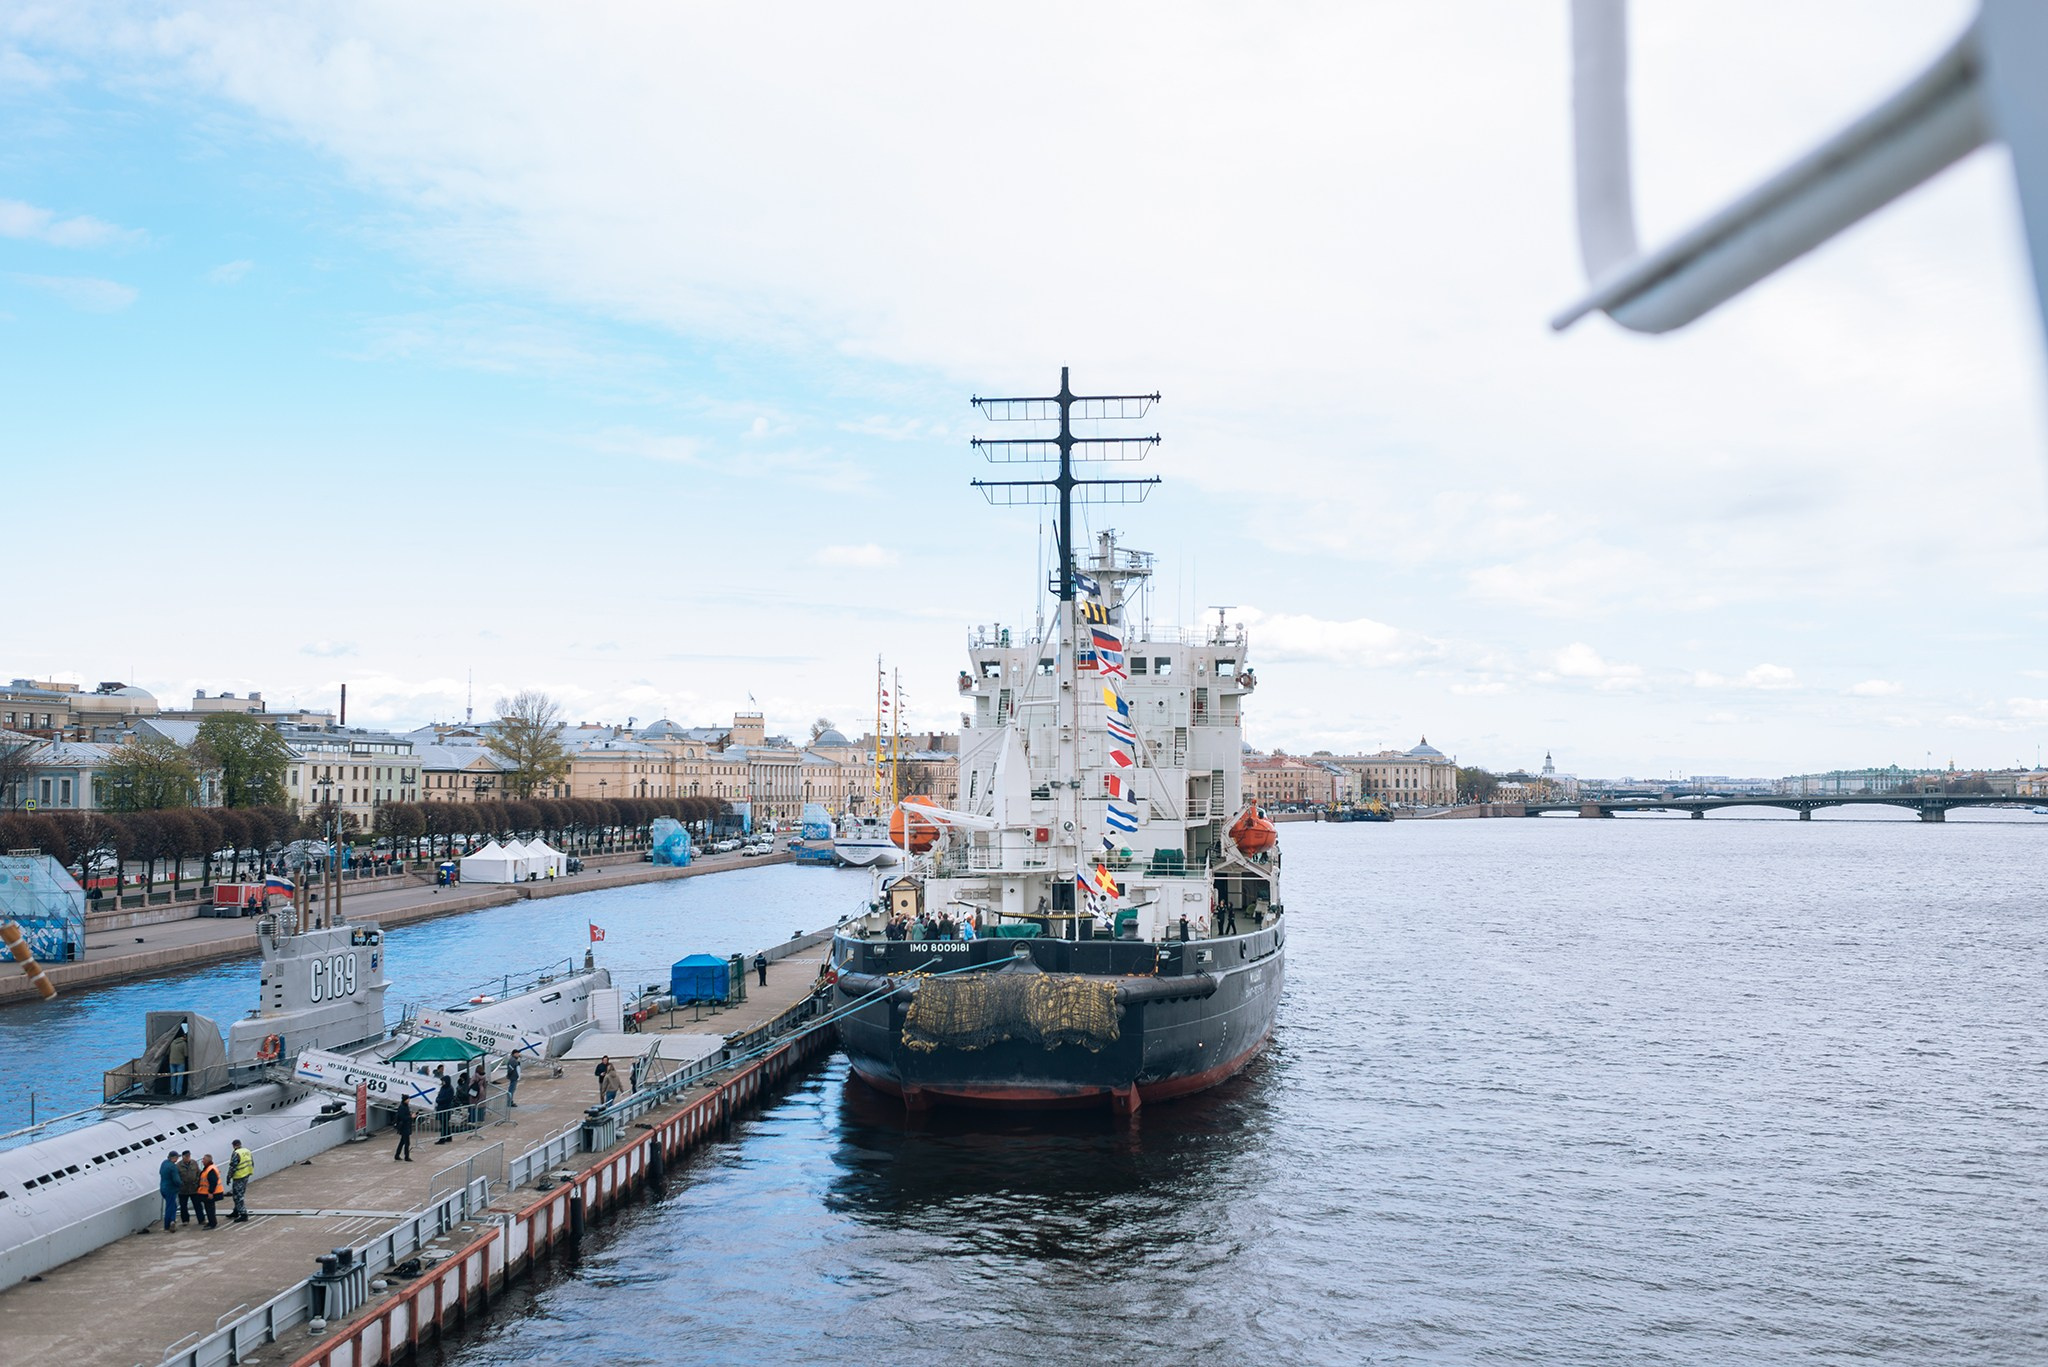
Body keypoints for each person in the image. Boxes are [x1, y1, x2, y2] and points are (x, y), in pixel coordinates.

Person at [226, 1139, 254, 1222]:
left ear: (234, 1145)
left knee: (238, 1196)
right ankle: (236, 1211)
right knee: (237, 1194)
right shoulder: (247, 1151)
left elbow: (232, 1167)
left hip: (239, 1177)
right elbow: (252, 1163)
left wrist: (228, 1177)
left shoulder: (236, 1153)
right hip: (246, 1175)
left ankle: (243, 1214)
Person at [195, 1153, 222, 1228]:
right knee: (208, 1208)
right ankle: (211, 1222)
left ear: (207, 1161)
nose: (202, 1161)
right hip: (206, 1192)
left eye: (203, 1159)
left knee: (210, 1208)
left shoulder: (210, 1169)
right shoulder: (208, 1168)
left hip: (210, 1193)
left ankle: (212, 1223)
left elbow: (213, 1181)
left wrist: (210, 1192)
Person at [157, 1152, 181, 1232]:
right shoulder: (173, 1167)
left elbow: (160, 1173)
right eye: (177, 1157)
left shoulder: (164, 1163)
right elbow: (176, 1180)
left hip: (163, 1188)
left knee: (173, 1205)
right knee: (170, 1207)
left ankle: (172, 1220)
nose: (177, 1159)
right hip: (170, 1189)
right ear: (173, 1158)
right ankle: (167, 1225)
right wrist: (181, 1184)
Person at [176, 1150, 200, 1225]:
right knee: (183, 1206)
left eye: (189, 1156)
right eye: (187, 1156)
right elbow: (177, 1177)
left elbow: (198, 1173)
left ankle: (201, 1219)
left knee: (197, 1205)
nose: (188, 1158)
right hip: (183, 1190)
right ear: (183, 1157)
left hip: (194, 1188)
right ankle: (185, 1220)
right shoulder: (178, 1166)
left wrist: (197, 1182)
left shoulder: (194, 1163)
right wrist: (181, 1184)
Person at [434, 1069, 456, 1144]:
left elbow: (447, 1099)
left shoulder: (450, 1089)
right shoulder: (443, 1088)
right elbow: (439, 1095)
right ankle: (449, 1137)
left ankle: (442, 1139)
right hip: (441, 1108)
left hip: (446, 1108)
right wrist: (438, 1099)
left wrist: (439, 1100)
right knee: (444, 1124)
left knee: (444, 1124)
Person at [167, 1026, 189, 1097]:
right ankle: (179, 1092)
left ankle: (172, 1091)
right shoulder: (183, 1043)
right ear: (184, 1037)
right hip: (180, 1062)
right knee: (180, 1077)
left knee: (173, 1077)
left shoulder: (173, 1042)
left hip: (171, 1062)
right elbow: (186, 1054)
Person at [393, 1095, 415, 1162]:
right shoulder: (402, 1107)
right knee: (407, 1142)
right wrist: (411, 1117)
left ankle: (397, 1155)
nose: (409, 1101)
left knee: (402, 1142)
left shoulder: (405, 1106)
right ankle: (406, 1156)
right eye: (408, 1099)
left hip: (406, 1126)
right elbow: (403, 1117)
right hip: (404, 1127)